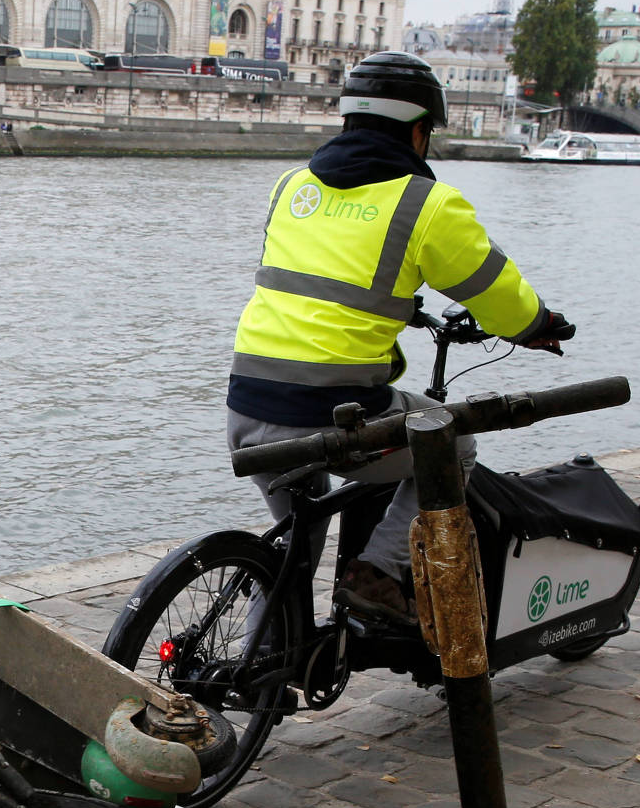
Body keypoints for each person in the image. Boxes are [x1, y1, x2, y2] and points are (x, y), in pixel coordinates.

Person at [225, 50, 567, 626]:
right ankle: (379, 572)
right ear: (417, 131)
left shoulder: (291, 187)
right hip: (330, 416)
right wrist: (537, 326)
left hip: (247, 406)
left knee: (296, 546)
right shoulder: (427, 204)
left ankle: (262, 667)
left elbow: (324, 277)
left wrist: (399, 305)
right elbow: (497, 292)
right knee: (453, 445)